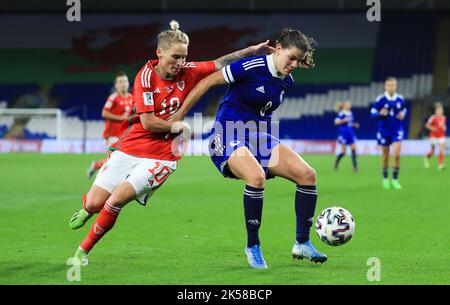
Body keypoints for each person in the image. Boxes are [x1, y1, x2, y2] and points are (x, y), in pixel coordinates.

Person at [69, 20, 274, 265]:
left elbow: (220, 62)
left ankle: (82, 252)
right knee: (95, 202)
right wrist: (178, 126)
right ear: (159, 52)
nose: (180, 63)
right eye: (175, 57)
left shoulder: (188, 70)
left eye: (184, 57)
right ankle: (87, 209)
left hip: (163, 155)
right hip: (133, 144)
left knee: (115, 201)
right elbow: (148, 123)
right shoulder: (145, 77)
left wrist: (252, 51)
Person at [172, 28, 327, 269]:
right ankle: (253, 246)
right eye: (291, 58)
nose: (294, 64)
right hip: (228, 132)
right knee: (255, 177)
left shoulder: (286, 81)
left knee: (307, 175)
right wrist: (180, 115)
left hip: (259, 136)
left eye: (299, 60)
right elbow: (207, 81)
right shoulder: (250, 67)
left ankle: (302, 243)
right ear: (277, 49)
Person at [87, 72, 133, 179]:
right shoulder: (113, 98)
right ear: (116, 85)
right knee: (112, 160)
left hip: (126, 134)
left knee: (123, 159)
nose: (123, 84)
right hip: (112, 134)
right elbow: (104, 113)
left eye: (125, 81)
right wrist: (120, 118)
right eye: (120, 82)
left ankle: (99, 167)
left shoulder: (131, 97)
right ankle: (101, 175)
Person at [370, 77, 407, 190]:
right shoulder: (381, 99)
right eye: (389, 85)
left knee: (396, 154)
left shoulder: (400, 99)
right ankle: (385, 179)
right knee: (385, 156)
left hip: (397, 130)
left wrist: (403, 114)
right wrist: (380, 114)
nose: (391, 87)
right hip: (384, 131)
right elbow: (372, 114)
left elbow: (404, 110)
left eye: (393, 85)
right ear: (385, 86)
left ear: (395, 86)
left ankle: (395, 180)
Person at [334, 100, 359, 172]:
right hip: (343, 133)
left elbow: (349, 123)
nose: (349, 105)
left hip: (350, 132)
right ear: (344, 105)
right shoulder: (341, 113)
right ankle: (336, 162)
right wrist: (344, 120)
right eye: (348, 104)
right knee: (344, 152)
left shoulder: (351, 113)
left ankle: (355, 167)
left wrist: (354, 125)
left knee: (353, 148)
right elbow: (336, 122)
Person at [424, 102, 446, 170]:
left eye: (441, 110)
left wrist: (444, 127)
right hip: (433, 136)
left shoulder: (443, 118)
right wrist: (433, 128)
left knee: (441, 150)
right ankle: (426, 158)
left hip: (441, 136)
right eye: (439, 110)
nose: (440, 112)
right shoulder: (433, 117)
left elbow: (443, 126)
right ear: (436, 111)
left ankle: (440, 165)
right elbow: (427, 125)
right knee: (432, 151)